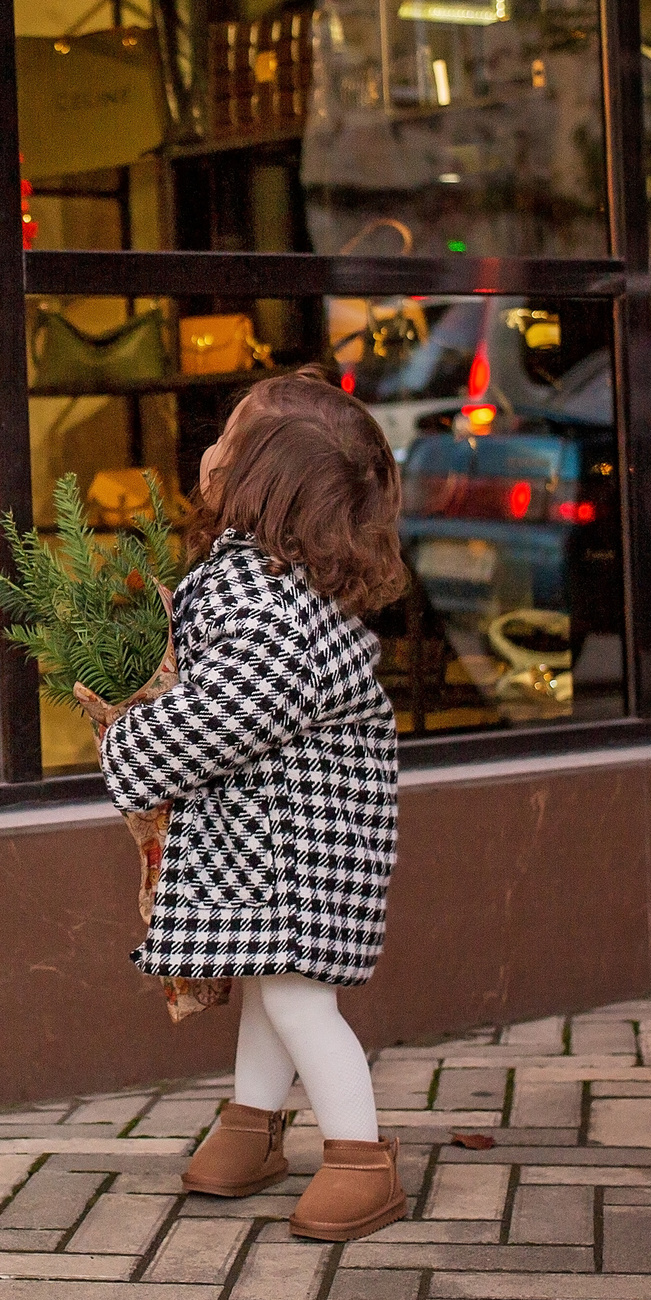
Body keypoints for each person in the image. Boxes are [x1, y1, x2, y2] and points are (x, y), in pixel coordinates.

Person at [74, 367, 408, 1242]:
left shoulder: (265, 600)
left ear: (263, 479)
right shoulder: (268, 583)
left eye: (226, 437)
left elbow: (231, 710)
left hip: (296, 847)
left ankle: (360, 1158)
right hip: (277, 838)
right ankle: (251, 1127)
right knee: (272, 984)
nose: (209, 448)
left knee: (300, 999)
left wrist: (131, 746)